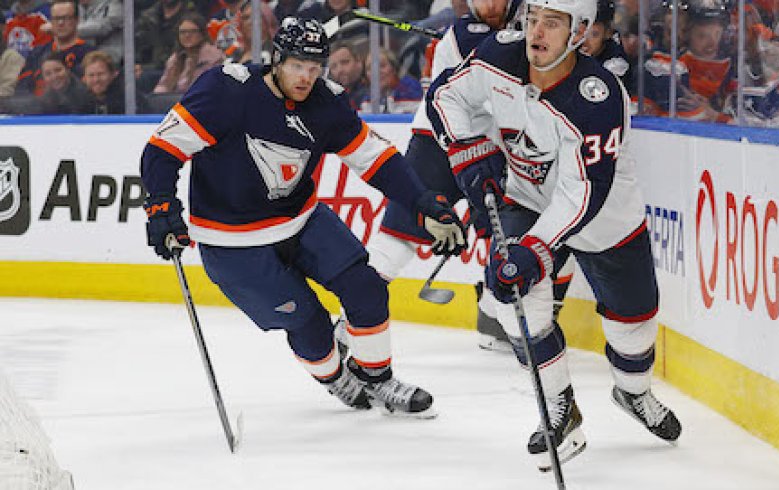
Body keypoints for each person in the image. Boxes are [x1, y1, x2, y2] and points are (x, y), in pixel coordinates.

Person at [139, 17, 466, 417]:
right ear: (276, 59)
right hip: (233, 246)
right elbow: (161, 150)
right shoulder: (226, 91)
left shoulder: (325, 103)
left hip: (302, 221)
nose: (306, 77)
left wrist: (423, 202)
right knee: (310, 325)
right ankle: (335, 379)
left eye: (314, 68)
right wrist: (160, 206)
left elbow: (375, 159)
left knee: (365, 288)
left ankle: (378, 378)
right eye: (297, 66)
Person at [427, 0, 682, 470]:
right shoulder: (498, 55)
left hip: (604, 217)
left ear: (580, 31)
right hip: (526, 197)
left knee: (634, 325)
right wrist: (467, 150)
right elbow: (445, 95)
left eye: (553, 22)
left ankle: (633, 393)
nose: (536, 31)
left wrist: (536, 249)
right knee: (510, 290)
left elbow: (581, 196)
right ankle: (559, 408)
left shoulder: (600, 96)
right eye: (533, 18)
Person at [363, 0, 526, 354]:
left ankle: (494, 314)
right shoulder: (462, 37)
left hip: (498, 145)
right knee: (401, 231)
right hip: (438, 137)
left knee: (510, 236)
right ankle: (353, 317)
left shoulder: (532, 24)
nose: (490, 5)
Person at [16, 0, 91, 95]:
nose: (60, 23)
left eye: (66, 18)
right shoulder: (37, 52)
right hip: (33, 107)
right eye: (56, 18)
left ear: (77, 20)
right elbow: (21, 88)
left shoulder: (88, 54)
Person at [153, 12, 224, 94]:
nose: (187, 35)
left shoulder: (214, 57)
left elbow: (209, 88)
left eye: (193, 31)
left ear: (202, 34)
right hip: (174, 102)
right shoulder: (175, 58)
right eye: (183, 32)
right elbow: (163, 85)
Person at [359, 48, 422, 113]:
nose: (376, 72)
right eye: (370, 68)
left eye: (382, 66)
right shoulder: (368, 97)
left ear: (394, 68)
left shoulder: (410, 88)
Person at [76, 0, 122, 64]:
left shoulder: (114, 4)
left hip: (111, 56)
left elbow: (105, 26)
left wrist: (73, 30)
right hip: (86, 55)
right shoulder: (79, 8)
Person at [326, 40, 366, 108]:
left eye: (344, 62)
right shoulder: (330, 97)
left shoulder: (375, 88)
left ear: (358, 61)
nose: (340, 70)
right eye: (334, 66)